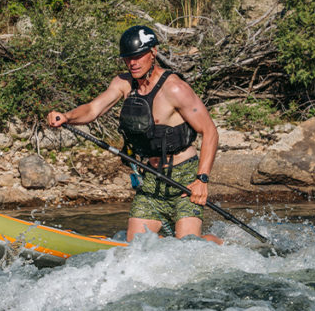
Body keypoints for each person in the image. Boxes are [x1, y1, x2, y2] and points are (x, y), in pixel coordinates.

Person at [48, 25, 222, 243]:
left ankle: (219, 244)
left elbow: (210, 132)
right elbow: (93, 109)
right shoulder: (123, 84)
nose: (133, 63)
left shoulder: (175, 89)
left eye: (139, 56)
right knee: (137, 247)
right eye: (128, 58)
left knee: (187, 248)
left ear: (153, 53)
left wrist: (201, 179)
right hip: (150, 180)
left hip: (184, 179)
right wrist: (67, 116)